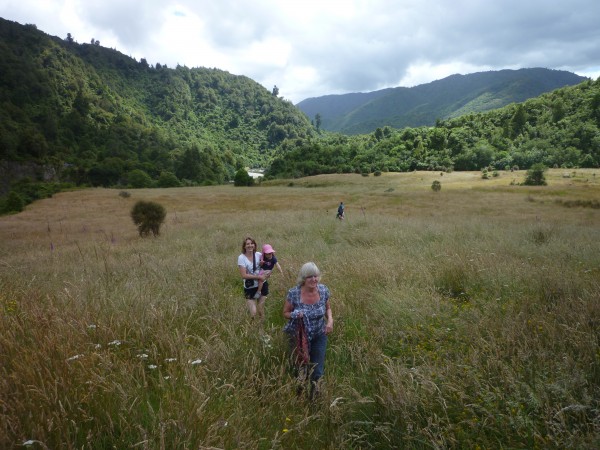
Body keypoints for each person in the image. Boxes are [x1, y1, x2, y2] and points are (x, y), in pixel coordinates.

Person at [283, 262, 333, 398]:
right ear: (303, 278)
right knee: (301, 370)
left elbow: (328, 308)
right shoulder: (294, 293)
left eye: (315, 276)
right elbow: (286, 312)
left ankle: (314, 399)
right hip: (298, 336)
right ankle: (298, 397)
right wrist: (295, 314)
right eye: (310, 277)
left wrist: (330, 321)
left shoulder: (323, 290)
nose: (313, 280)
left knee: (317, 370)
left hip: (319, 334)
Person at [238, 236, 270, 318]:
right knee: (253, 313)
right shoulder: (241, 258)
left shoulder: (259, 255)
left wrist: (267, 274)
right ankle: (252, 328)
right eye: (247, 244)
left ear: (254, 245)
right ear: (244, 246)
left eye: (252, 243)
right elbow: (244, 275)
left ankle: (261, 329)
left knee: (260, 310)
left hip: (262, 285)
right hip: (250, 288)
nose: (250, 245)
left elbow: (267, 267)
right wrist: (259, 277)